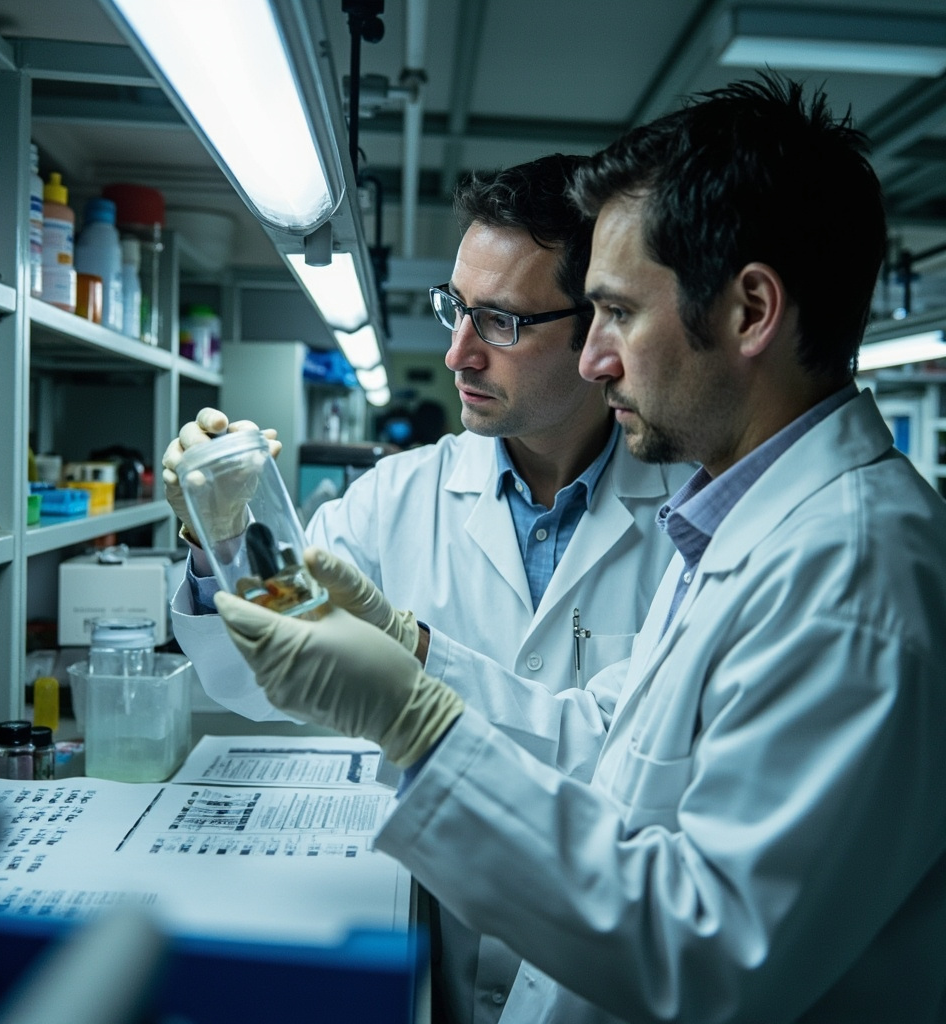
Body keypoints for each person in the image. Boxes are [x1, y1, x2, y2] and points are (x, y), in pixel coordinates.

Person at [210, 74, 946, 1023]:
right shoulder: (745, 531)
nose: (597, 359)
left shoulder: (853, 576)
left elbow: (707, 955)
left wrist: (417, 724)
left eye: (620, 313)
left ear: (751, 311)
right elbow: (598, 743)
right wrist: (412, 656)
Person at [163, 153, 689, 1024]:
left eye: (501, 322)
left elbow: (623, 764)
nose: (456, 352)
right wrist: (223, 536)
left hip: (608, 984)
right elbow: (260, 667)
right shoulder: (396, 498)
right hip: (433, 950)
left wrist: (415, 671)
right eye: (455, 308)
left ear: (598, 328)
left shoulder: (691, 523)